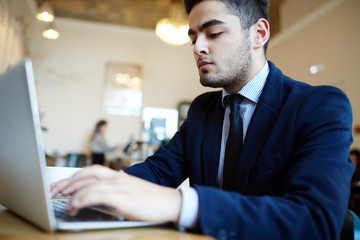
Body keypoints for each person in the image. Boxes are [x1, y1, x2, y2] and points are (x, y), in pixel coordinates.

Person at [51, 0, 354, 239]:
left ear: (259, 34)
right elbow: (159, 170)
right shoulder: (202, 110)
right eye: (193, 36)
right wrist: (108, 182)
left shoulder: (320, 106)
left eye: (214, 33)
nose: (197, 48)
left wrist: (180, 203)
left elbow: (316, 221)